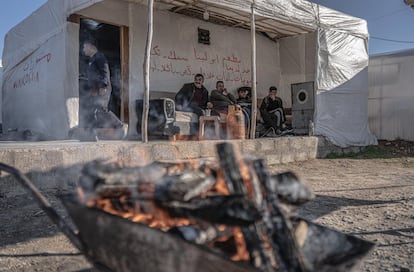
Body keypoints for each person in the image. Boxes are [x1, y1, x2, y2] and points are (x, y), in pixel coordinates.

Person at [82, 40, 123, 132]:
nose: (83, 50)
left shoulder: (100, 57)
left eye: (85, 47)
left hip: (102, 88)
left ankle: (119, 125)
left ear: (91, 47)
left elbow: (105, 72)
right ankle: (91, 132)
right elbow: (93, 75)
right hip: (96, 89)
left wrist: (103, 86)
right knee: (93, 110)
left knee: (102, 110)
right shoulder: (92, 60)